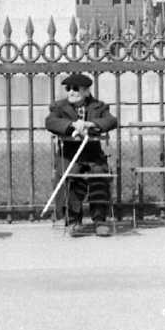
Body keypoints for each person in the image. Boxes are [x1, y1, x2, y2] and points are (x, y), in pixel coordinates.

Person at [45, 72, 117, 236]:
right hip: (69, 155)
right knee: (70, 175)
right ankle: (73, 221)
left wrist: (90, 124)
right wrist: (73, 125)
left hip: (92, 155)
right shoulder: (58, 106)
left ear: (86, 91)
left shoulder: (99, 106)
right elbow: (51, 122)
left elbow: (111, 121)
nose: (70, 92)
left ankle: (99, 221)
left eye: (75, 89)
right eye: (68, 88)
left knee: (100, 175)